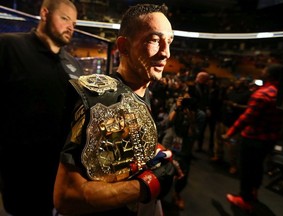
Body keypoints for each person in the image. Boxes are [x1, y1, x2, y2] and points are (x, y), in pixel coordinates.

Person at [53, 4, 176, 216]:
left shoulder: (143, 92)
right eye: (155, 40)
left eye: (169, 41)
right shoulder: (97, 99)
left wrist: (152, 152)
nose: (166, 52)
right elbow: (65, 197)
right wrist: (147, 185)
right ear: (124, 47)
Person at [0, 0, 82, 215]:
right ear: (45, 13)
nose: (71, 26)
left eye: (74, 22)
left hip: (60, 171)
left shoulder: (74, 65)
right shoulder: (9, 46)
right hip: (20, 170)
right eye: (64, 18)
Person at [222, 64, 283, 212]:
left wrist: (229, 133)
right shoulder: (281, 93)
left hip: (253, 139)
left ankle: (244, 199)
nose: (261, 71)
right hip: (270, 139)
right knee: (257, 168)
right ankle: (254, 193)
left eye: (264, 70)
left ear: (269, 75)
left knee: (247, 170)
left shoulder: (262, 94)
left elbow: (246, 118)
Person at [161, 92, 197, 210]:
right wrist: (177, 107)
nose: (186, 101)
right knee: (163, 167)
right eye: (184, 98)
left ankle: (177, 194)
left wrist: (191, 117)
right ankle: (159, 193)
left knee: (183, 172)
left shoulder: (198, 113)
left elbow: (194, 133)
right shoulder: (178, 106)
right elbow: (168, 122)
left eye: (189, 99)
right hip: (170, 141)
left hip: (185, 146)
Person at [188, 71, 211, 153]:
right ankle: (189, 149)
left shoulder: (206, 87)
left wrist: (207, 108)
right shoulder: (192, 86)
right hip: (193, 111)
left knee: (200, 131)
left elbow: (206, 99)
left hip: (201, 111)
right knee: (192, 130)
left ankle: (197, 147)